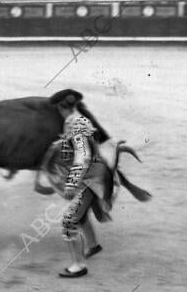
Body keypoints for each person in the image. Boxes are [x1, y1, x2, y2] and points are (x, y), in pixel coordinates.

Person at [37, 89, 113, 278]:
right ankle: (93, 246)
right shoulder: (77, 120)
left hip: (89, 180)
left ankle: (79, 266)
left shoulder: (76, 123)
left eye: (58, 108)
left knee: (69, 221)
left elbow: (83, 155)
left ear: (62, 107)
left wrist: (71, 183)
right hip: (92, 176)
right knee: (81, 213)